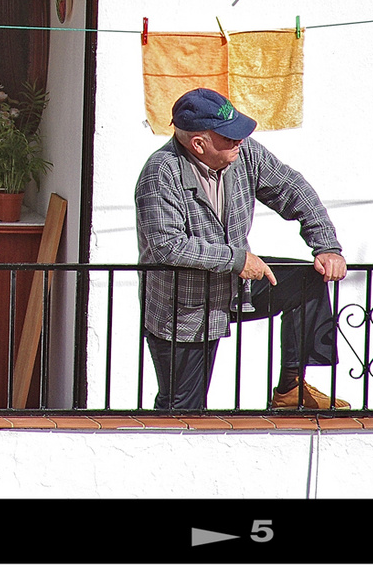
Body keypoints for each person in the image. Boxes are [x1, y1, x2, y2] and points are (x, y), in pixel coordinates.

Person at [135, 87, 349, 410]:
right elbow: (169, 247)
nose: (239, 140)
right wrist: (237, 260)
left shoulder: (244, 153)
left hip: (237, 286)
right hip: (184, 308)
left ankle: (290, 389)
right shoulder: (160, 172)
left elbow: (291, 188)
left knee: (307, 282)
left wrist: (327, 245)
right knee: (181, 411)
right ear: (199, 144)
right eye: (228, 136)